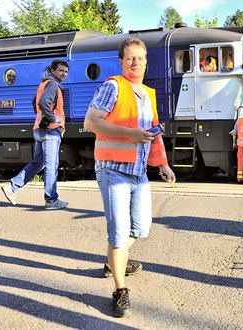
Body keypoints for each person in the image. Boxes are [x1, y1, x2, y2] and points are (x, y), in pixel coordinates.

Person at [83, 37, 176, 318]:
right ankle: (120, 290)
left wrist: (163, 164)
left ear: (146, 62)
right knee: (119, 232)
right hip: (112, 170)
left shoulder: (148, 93)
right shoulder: (113, 86)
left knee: (141, 228)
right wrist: (130, 134)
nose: (135, 62)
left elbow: (154, 132)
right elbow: (90, 122)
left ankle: (114, 260)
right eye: (130, 58)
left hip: (138, 173)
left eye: (140, 58)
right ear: (122, 62)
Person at [1, 60, 69, 209]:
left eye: (66, 71)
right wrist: (52, 119)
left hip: (39, 130)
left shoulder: (44, 84)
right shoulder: (53, 84)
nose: (64, 74)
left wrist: (44, 118)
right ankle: (51, 200)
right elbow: (43, 103)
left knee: (38, 163)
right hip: (50, 131)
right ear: (53, 70)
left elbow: (35, 103)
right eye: (61, 71)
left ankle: (12, 187)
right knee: (51, 166)